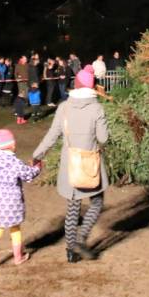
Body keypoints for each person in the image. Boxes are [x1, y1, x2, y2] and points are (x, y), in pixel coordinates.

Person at [32, 65, 109, 262]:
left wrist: (37, 154)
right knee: (97, 202)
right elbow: (103, 138)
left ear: (76, 86)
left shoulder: (64, 108)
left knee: (73, 207)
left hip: (70, 165)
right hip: (90, 164)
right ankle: (81, 238)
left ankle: (70, 250)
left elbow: (52, 135)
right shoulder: (97, 108)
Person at [0, 129, 42, 274]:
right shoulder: (13, 161)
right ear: (12, 145)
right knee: (15, 228)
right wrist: (37, 167)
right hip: (11, 201)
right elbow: (27, 174)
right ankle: (18, 257)